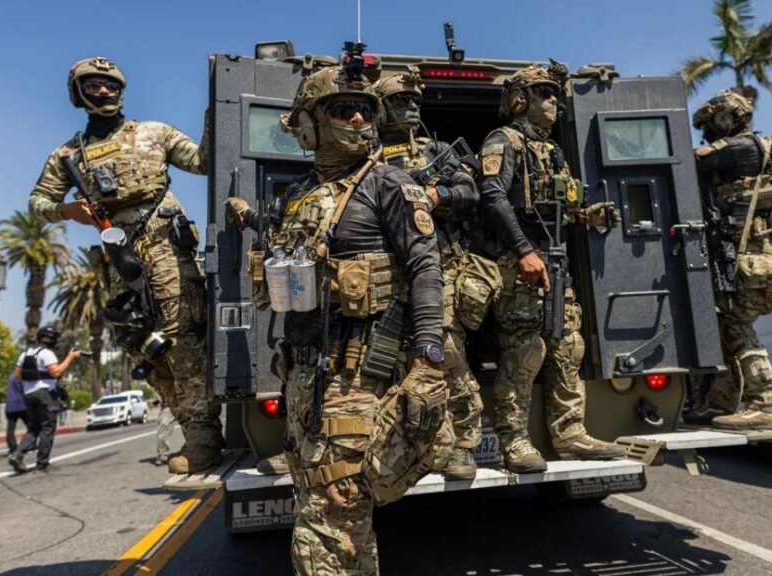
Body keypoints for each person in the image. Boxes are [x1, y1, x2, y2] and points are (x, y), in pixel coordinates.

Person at [227, 55, 447, 575]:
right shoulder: (299, 196)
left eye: (364, 111)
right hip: (303, 376)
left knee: (335, 514)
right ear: (309, 123)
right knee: (318, 508)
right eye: (343, 109)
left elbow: (426, 269)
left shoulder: (388, 184)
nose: (358, 120)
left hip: (357, 378)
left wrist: (428, 359)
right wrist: (248, 217)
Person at [28, 57, 223, 476]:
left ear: (122, 90)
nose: (103, 91)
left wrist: (216, 115)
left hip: (167, 248)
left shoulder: (155, 133)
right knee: (145, 350)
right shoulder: (66, 156)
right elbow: (37, 203)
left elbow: (205, 161)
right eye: (93, 85)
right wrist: (68, 211)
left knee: (182, 340)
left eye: (110, 84)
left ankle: (204, 439)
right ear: (77, 93)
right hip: (121, 259)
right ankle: (194, 427)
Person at [478, 62, 625, 473]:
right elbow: (492, 197)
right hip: (518, 263)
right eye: (544, 92)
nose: (554, 100)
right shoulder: (502, 140)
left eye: (556, 93)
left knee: (567, 347)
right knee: (525, 351)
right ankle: (515, 440)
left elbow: (557, 207)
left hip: (553, 262)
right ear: (521, 100)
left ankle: (570, 434)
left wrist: (586, 216)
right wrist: (524, 251)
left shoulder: (553, 151)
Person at [373, 67, 494, 480]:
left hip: (436, 269)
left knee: (446, 355)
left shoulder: (433, 151)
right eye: (397, 101)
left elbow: (471, 190)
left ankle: (464, 443)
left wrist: (435, 193)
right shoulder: (366, 156)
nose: (407, 107)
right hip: (383, 275)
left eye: (411, 101)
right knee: (380, 361)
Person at [685, 88, 772, 431]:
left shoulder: (736, 148)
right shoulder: (759, 147)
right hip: (764, 254)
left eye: (709, 124)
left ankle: (765, 402)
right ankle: (719, 404)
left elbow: (688, 162)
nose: (706, 132)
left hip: (751, 256)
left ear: (726, 119)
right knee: (724, 326)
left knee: (737, 328)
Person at [8, 326, 81, 473]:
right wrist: (70, 357)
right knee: (47, 427)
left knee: (34, 428)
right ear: (53, 340)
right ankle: (42, 465)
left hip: (29, 395)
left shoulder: (25, 354)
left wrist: (31, 381)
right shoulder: (47, 354)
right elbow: (56, 372)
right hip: (45, 394)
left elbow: (17, 375)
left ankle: (17, 454)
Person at [4, 373, 27, 455]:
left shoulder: (10, 376)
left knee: (10, 428)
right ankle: (28, 445)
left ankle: (12, 447)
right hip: (21, 405)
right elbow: (24, 390)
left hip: (10, 405)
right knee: (32, 426)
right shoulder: (21, 376)